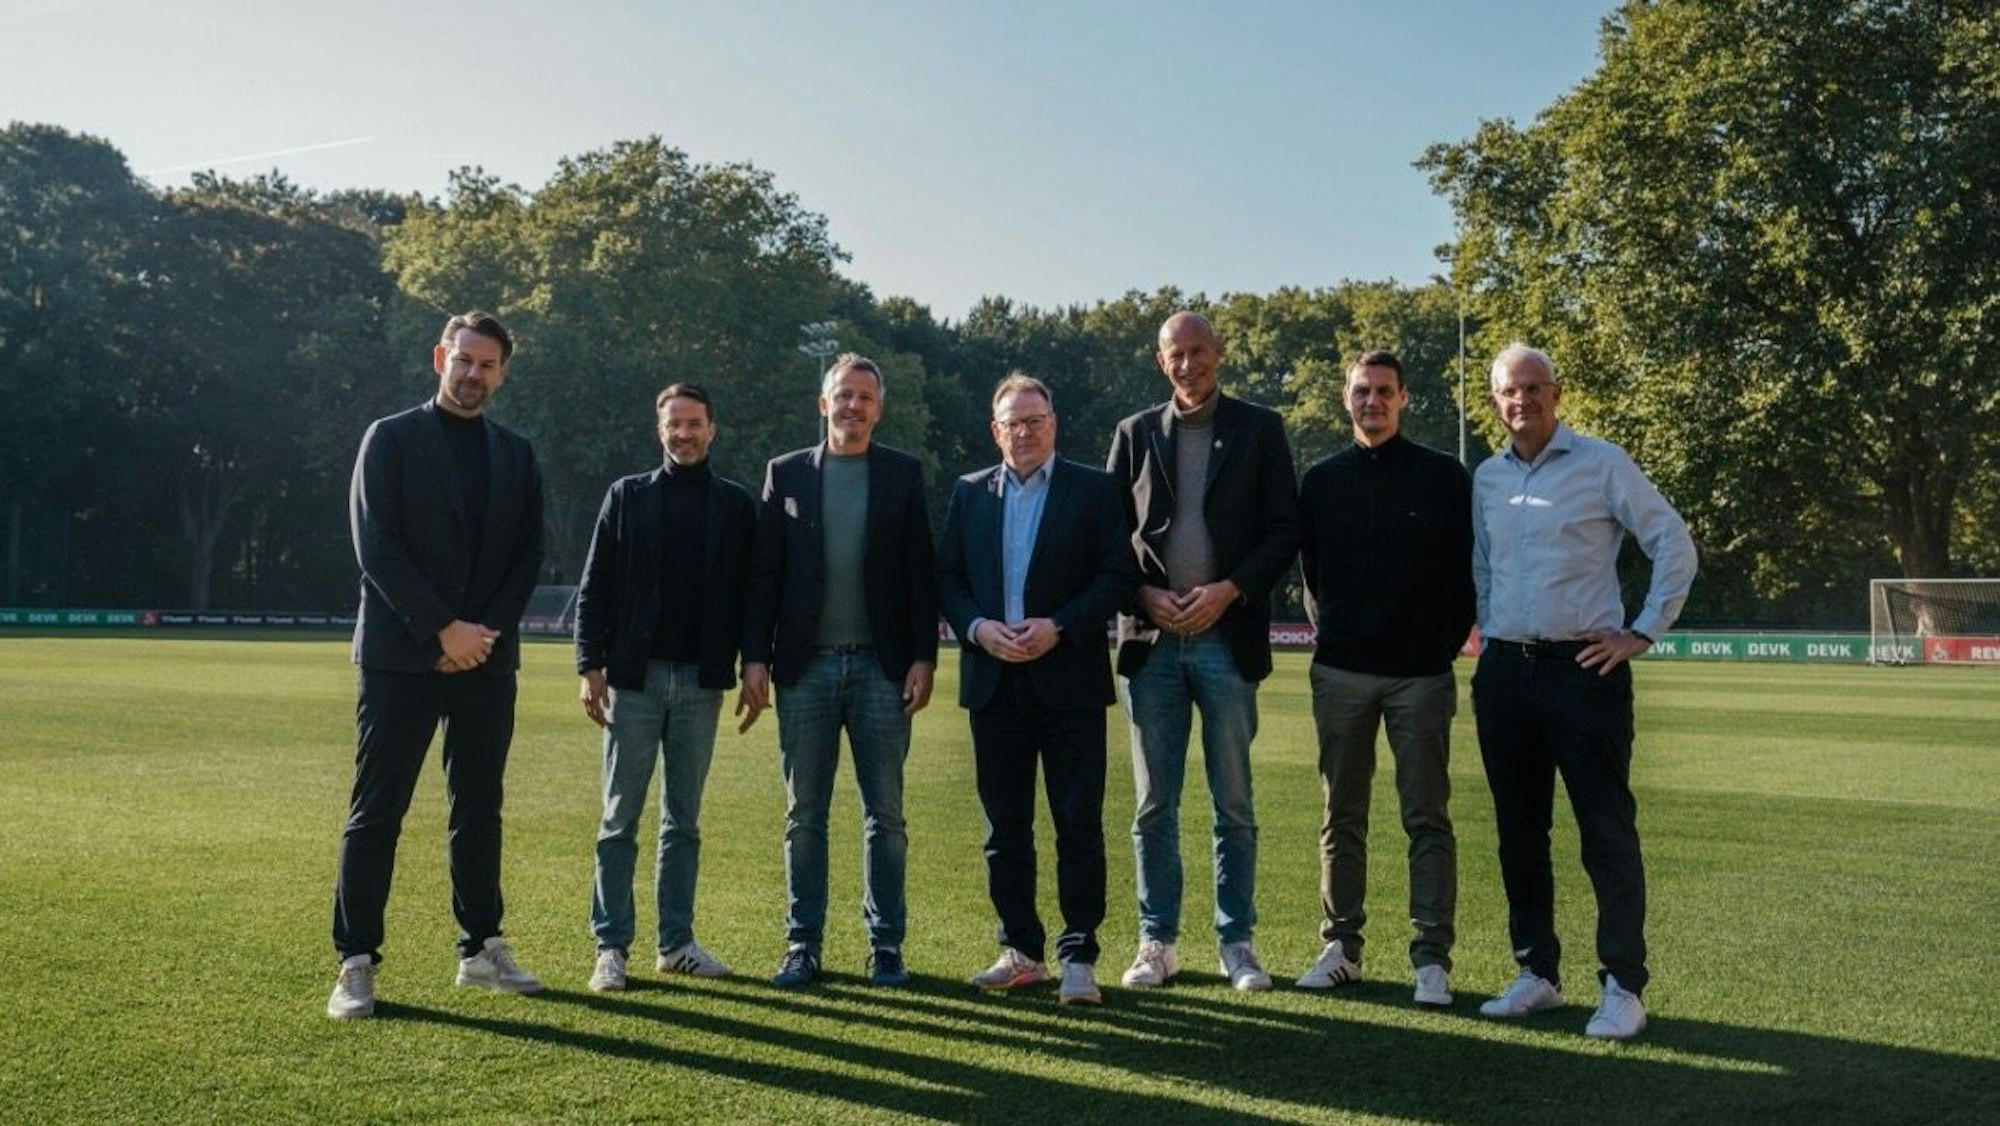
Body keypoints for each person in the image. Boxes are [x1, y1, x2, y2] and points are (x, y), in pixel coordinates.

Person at [1471, 343, 1696, 1040]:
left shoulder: (1602, 463)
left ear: (1557, 393)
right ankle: (1537, 972)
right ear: (1495, 401)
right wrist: (1489, 634)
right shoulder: (1485, 478)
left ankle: (1624, 984)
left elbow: (1673, 542)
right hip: (1506, 672)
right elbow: (1483, 565)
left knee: (1605, 830)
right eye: (1511, 390)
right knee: (1519, 834)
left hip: (1585, 672)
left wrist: (1641, 632)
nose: (1523, 401)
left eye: (1535, 388)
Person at [327, 311, 546, 1019]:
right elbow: (377, 547)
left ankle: (482, 947)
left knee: (479, 808)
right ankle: (356, 961)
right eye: (465, 360)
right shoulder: (389, 439)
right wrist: (442, 630)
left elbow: (526, 558)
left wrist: (479, 636)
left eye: (488, 365)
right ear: (439, 358)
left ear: (503, 374)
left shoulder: (516, 453)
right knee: (376, 812)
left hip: (486, 657)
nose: (474, 374)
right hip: (400, 657)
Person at [1106, 311, 1300, 991]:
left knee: (1233, 802)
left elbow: (1284, 531)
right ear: (1161, 362)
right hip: (1151, 645)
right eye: (1175, 355)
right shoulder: (1133, 434)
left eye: (1198, 352)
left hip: (1227, 638)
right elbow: (1108, 537)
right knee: (1154, 804)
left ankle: (1236, 942)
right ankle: (1157, 941)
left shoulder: (1260, 429)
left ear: (1219, 354)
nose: (1187, 365)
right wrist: (1143, 597)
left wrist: (1229, 590)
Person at [939, 374, 1139, 1006]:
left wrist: (1061, 627)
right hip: (994, 682)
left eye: (1034, 420)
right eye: (1011, 423)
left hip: (1069, 680)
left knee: (1077, 822)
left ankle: (1079, 954)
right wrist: (976, 628)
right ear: (995, 431)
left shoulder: (1094, 489)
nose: (1023, 432)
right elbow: (947, 578)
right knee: (1006, 828)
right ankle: (1021, 950)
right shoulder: (969, 493)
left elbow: (1118, 575)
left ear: (1054, 423)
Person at [740, 354, 939, 988]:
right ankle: (803, 945)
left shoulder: (904, 475)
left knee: (887, 816)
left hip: (882, 670)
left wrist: (923, 658)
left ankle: (886, 947)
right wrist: (754, 658)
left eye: (864, 398)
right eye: (842, 396)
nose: (853, 406)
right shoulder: (786, 474)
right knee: (805, 815)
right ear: (822, 403)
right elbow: (764, 575)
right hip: (806, 669)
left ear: (879, 408)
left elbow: (920, 575)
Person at [1294, 351, 1474, 1006]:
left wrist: (1438, 644)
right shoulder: (1321, 481)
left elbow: (1465, 576)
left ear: (1403, 399)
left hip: (1421, 677)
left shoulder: (1444, 478)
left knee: (1426, 815)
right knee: (1342, 816)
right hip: (1341, 672)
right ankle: (1342, 946)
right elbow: (1312, 577)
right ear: (1347, 398)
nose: (1373, 401)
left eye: (1384, 392)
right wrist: (1338, 631)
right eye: (1362, 391)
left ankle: (1432, 958)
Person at [573, 383, 758, 992]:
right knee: (619, 818)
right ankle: (611, 947)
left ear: (713, 429)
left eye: (694, 423)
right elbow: (595, 584)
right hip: (634, 681)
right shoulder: (627, 497)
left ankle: (675, 943)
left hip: (702, 682)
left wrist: (756, 663)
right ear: (660, 430)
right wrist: (588, 664)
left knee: (684, 820)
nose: (684, 433)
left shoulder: (735, 506)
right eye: (673, 424)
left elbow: (753, 599)